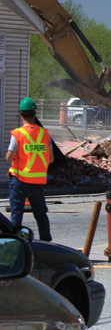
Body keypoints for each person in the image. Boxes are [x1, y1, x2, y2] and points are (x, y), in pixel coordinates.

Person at [5, 97, 53, 241]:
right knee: (40, 214)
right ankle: (46, 242)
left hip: (19, 180)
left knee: (16, 214)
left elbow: (8, 158)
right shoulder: (44, 134)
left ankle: (15, 243)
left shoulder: (18, 134)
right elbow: (50, 159)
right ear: (35, 114)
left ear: (21, 114)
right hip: (37, 182)